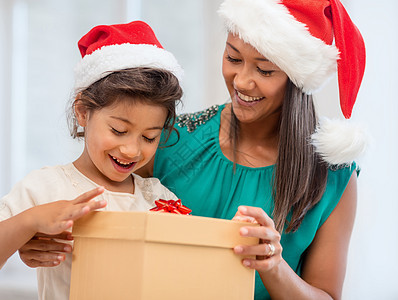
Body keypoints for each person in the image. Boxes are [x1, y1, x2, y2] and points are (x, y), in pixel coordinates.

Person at [19, 1, 366, 299]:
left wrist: (274, 267)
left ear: (297, 79)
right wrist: (34, 238)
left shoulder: (333, 176)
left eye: (264, 69)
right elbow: (96, 208)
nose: (243, 81)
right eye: (233, 57)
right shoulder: (169, 140)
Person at [0, 20, 183, 299]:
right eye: (119, 131)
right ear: (83, 111)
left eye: (149, 137)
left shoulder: (158, 197)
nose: (132, 150)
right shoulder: (46, 187)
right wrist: (31, 221)